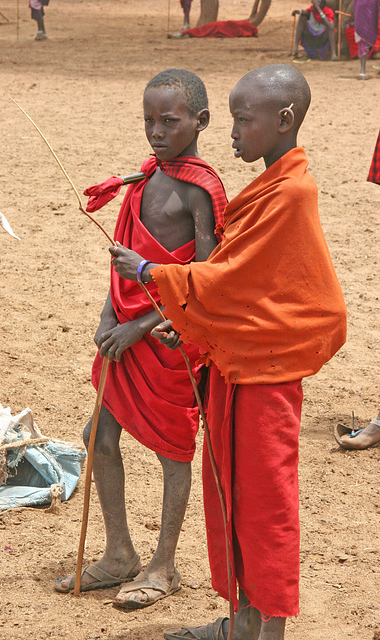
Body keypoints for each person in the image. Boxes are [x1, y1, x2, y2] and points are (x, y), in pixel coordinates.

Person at [110, 63, 347, 639]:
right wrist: (193, 325)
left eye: (244, 120)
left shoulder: (292, 193)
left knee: (265, 508)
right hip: (234, 365)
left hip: (267, 379)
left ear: (284, 119)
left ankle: (270, 633)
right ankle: (242, 622)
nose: (234, 133)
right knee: (230, 499)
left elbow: (233, 281)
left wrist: (150, 273)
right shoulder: (265, 189)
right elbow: (245, 288)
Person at [55, 68, 228, 610]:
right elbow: (121, 266)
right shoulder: (144, 180)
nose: (156, 131)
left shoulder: (203, 191)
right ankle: (119, 553)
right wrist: (110, 317)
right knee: (97, 437)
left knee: (173, 450)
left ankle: (164, 564)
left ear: (200, 122)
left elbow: (203, 280)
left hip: (168, 340)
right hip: (122, 338)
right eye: (149, 120)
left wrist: (139, 326)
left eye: (169, 121)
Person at [354, 0, 380, 78]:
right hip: (367, 17)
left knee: (363, 42)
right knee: (364, 41)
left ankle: (362, 71)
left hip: (365, 18)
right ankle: (362, 71)